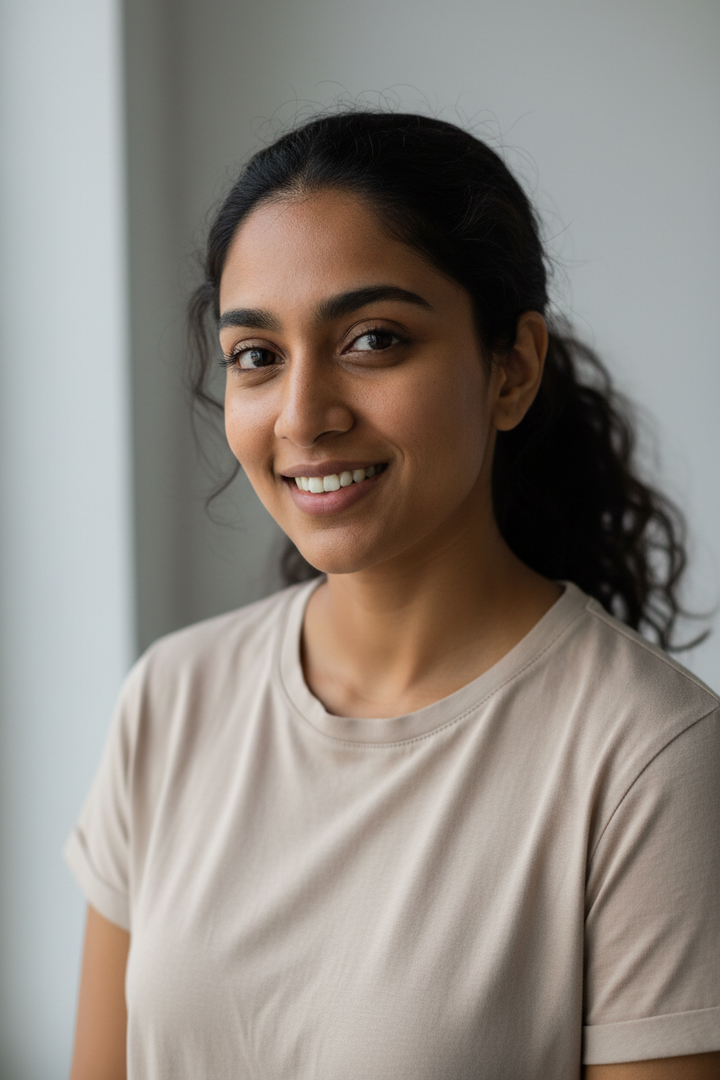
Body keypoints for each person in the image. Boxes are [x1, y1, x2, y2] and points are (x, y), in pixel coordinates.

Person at [66, 112, 720, 1080]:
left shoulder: (646, 758)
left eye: (373, 339)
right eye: (257, 355)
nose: (303, 416)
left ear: (513, 369)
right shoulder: (170, 700)